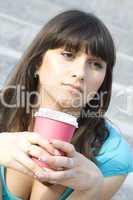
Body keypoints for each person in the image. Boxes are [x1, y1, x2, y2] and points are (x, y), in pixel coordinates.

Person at [0, 9, 133, 200]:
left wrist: (91, 189)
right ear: (38, 62)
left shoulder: (112, 155)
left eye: (96, 64)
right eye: (68, 54)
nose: (80, 73)